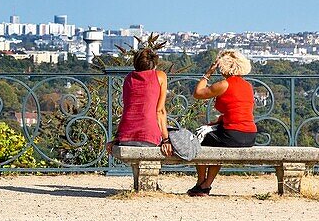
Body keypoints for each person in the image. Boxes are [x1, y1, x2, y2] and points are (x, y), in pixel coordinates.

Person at [188, 49, 257, 196]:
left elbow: (198, 93)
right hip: (250, 135)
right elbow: (239, 111)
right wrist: (219, 121)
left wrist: (208, 73)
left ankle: (201, 182)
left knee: (198, 139)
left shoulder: (224, 84)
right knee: (215, 142)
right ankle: (206, 184)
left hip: (232, 135)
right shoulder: (248, 86)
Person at [109, 47, 172, 158]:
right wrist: (166, 140)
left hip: (125, 137)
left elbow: (128, 108)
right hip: (148, 137)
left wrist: (116, 138)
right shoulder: (160, 76)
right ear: (154, 64)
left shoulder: (129, 78)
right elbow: (160, 111)